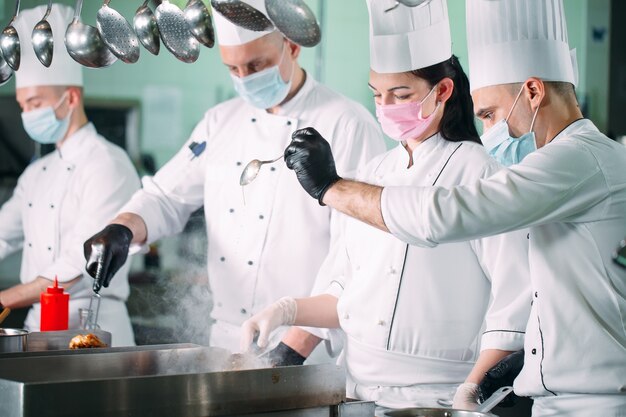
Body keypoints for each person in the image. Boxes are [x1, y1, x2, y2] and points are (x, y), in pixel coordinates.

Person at [283, 0, 626, 415]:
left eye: (491, 114)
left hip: (597, 402)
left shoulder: (578, 159)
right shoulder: (561, 167)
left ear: (533, 92)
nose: (489, 132)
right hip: (557, 398)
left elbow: (444, 215)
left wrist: (329, 187)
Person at [240, 0, 531, 413]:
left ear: (443, 91)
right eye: (378, 94)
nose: (388, 107)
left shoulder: (479, 174)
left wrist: (472, 391)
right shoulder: (370, 176)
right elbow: (344, 295)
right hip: (355, 394)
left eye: (401, 94)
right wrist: (287, 310)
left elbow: (513, 301)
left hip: (435, 400)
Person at [82, 0, 385, 352]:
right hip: (226, 342)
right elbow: (166, 196)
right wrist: (123, 228)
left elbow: (359, 254)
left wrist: (296, 345)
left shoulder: (347, 123)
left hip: (306, 345)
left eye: (256, 65)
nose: (245, 79)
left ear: (291, 45)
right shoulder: (219, 122)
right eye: (233, 68)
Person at [0, 4, 139, 346]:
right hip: (38, 327)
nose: (27, 114)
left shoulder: (108, 163)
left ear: (71, 97)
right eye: (22, 106)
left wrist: (5, 298)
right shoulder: (37, 173)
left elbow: (81, 261)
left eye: (34, 103)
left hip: (93, 327)